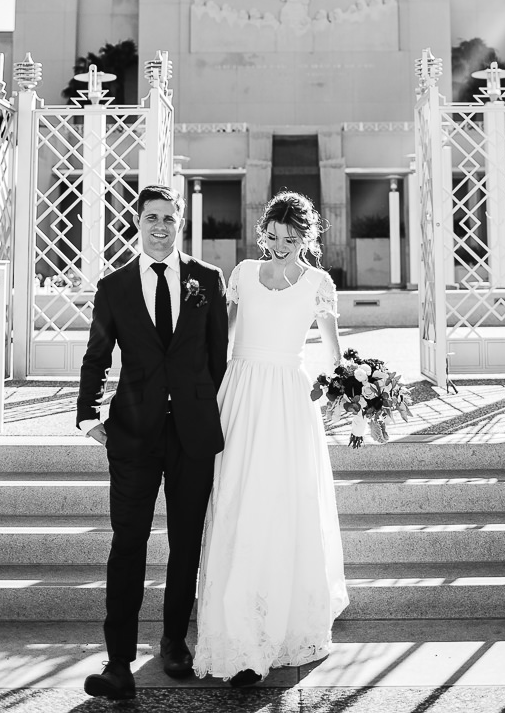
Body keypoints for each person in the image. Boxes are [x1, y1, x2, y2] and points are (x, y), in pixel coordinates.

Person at [77, 184, 228, 701]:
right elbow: (97, 356)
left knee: (186, 544)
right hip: (134, 435)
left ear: (180, 221)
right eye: (151, 218)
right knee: (128, 544)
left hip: (192, 435)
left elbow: (218, 358)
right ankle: (118, 661)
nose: (160, 226)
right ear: (136, 222)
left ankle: (174, 643)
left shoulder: (207, 280)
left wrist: (216, 419)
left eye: (168, 217)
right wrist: (86, 417)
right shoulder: (114, 286)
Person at [193, 190, 348, 686]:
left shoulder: (319, 284)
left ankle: (282, 625)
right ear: (264, 233)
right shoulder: (241, 274)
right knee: (237, 498)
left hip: (288, 400)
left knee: (284, 502)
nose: (281, 246)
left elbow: (332, 352)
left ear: (308, 238)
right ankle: (235, 630)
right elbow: (220, 338)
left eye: (292, 238)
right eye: (274, 236)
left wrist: (356, 391)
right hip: (240, 393)